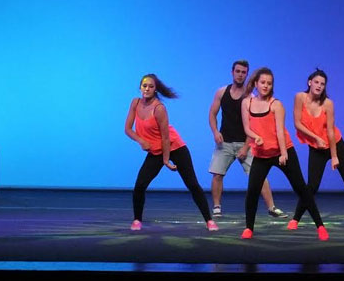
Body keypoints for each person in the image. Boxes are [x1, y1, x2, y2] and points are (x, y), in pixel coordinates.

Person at [240, 67, 329, 240]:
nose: (265, 86)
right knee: (252, 191)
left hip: (282, 150)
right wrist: (255, 137)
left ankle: (320, 226)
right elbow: (247, 128)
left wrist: (283, 153)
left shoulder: (276, 105)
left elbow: (280, 131)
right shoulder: (247, 103)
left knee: (301, 188)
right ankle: (249, 228)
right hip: (261, 155)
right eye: (262, 82)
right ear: (256, 83)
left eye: (269, 83)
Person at [124, 74, 217, 232]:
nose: (147, 89)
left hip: (175, 147)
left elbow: (166, 137)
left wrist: (166, 160)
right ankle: (137, 220)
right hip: (155, 150)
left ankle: (209, 220)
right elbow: (127, 129)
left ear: (155, 89)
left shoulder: (159, 108)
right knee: (140, 185)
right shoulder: (135, 103)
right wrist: (141, 141)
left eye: (151, 86)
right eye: (144, 86)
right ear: (140, 87)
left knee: (192, 184)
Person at [289, 69, 344, 230]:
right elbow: (297, 123)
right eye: (316, 82)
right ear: (309, 82)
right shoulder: (299, 97)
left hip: (335, 144)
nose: (319, 86)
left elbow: (330, 131)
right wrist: (316, 138)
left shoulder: (328, 103)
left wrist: (334, 156)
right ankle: (295, 219)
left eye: (322, 84)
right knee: (312, 186)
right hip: (316, 147)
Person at [207, 59, 285, 218]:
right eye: (238, 71)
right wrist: (215, 132)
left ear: (247, 75)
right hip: (225, 142)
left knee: (259, 176)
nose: (240, 75)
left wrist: (245, 147)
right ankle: (216, 206)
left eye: (243, 72)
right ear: (232, 72)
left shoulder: (250, 98)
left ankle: (271, 207)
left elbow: (253, 125)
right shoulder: (221, 92)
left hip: (246, 143)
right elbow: (212, 114)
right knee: (217, 174)